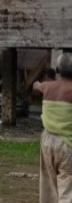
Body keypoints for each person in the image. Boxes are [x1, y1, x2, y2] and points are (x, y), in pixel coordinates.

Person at [33, 52, 72, 202]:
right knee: (68, 185)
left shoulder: (48, 87)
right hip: (67, 144)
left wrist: (39, 85)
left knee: (48, 185)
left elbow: (37, 86)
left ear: (57, 69)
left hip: (47, 140)